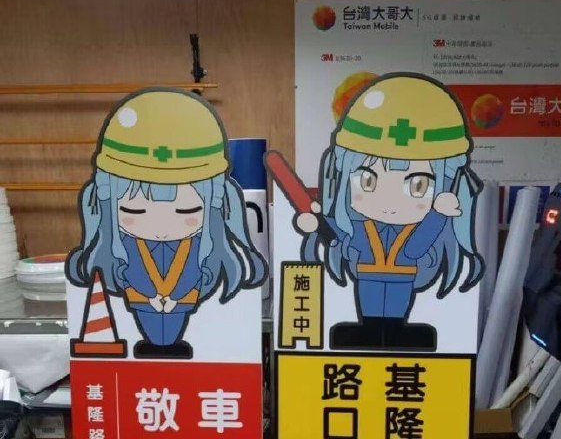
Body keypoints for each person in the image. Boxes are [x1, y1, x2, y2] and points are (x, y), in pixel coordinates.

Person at [67, 88, 266, 359]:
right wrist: (148, 296)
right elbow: (127, 273)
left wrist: (178, 297)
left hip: (186, 310)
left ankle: (170, 342)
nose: (161, 228)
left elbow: (198, 274)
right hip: (142, 304)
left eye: (186, 210)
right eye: (134, 210)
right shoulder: (120, 247)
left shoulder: (204, 248)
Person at [296, 73, 483, 350]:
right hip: (366, 275)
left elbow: (419, 244)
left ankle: (395, 332)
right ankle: (370, 331)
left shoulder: (412, 230)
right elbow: (339, 236)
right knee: (369, 307)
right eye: (367, 180)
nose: (389, 201)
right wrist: (317, 226)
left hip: (403, 276)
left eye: (418, 185)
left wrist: (439, 213)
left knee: (396, 309)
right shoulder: (359, 225)